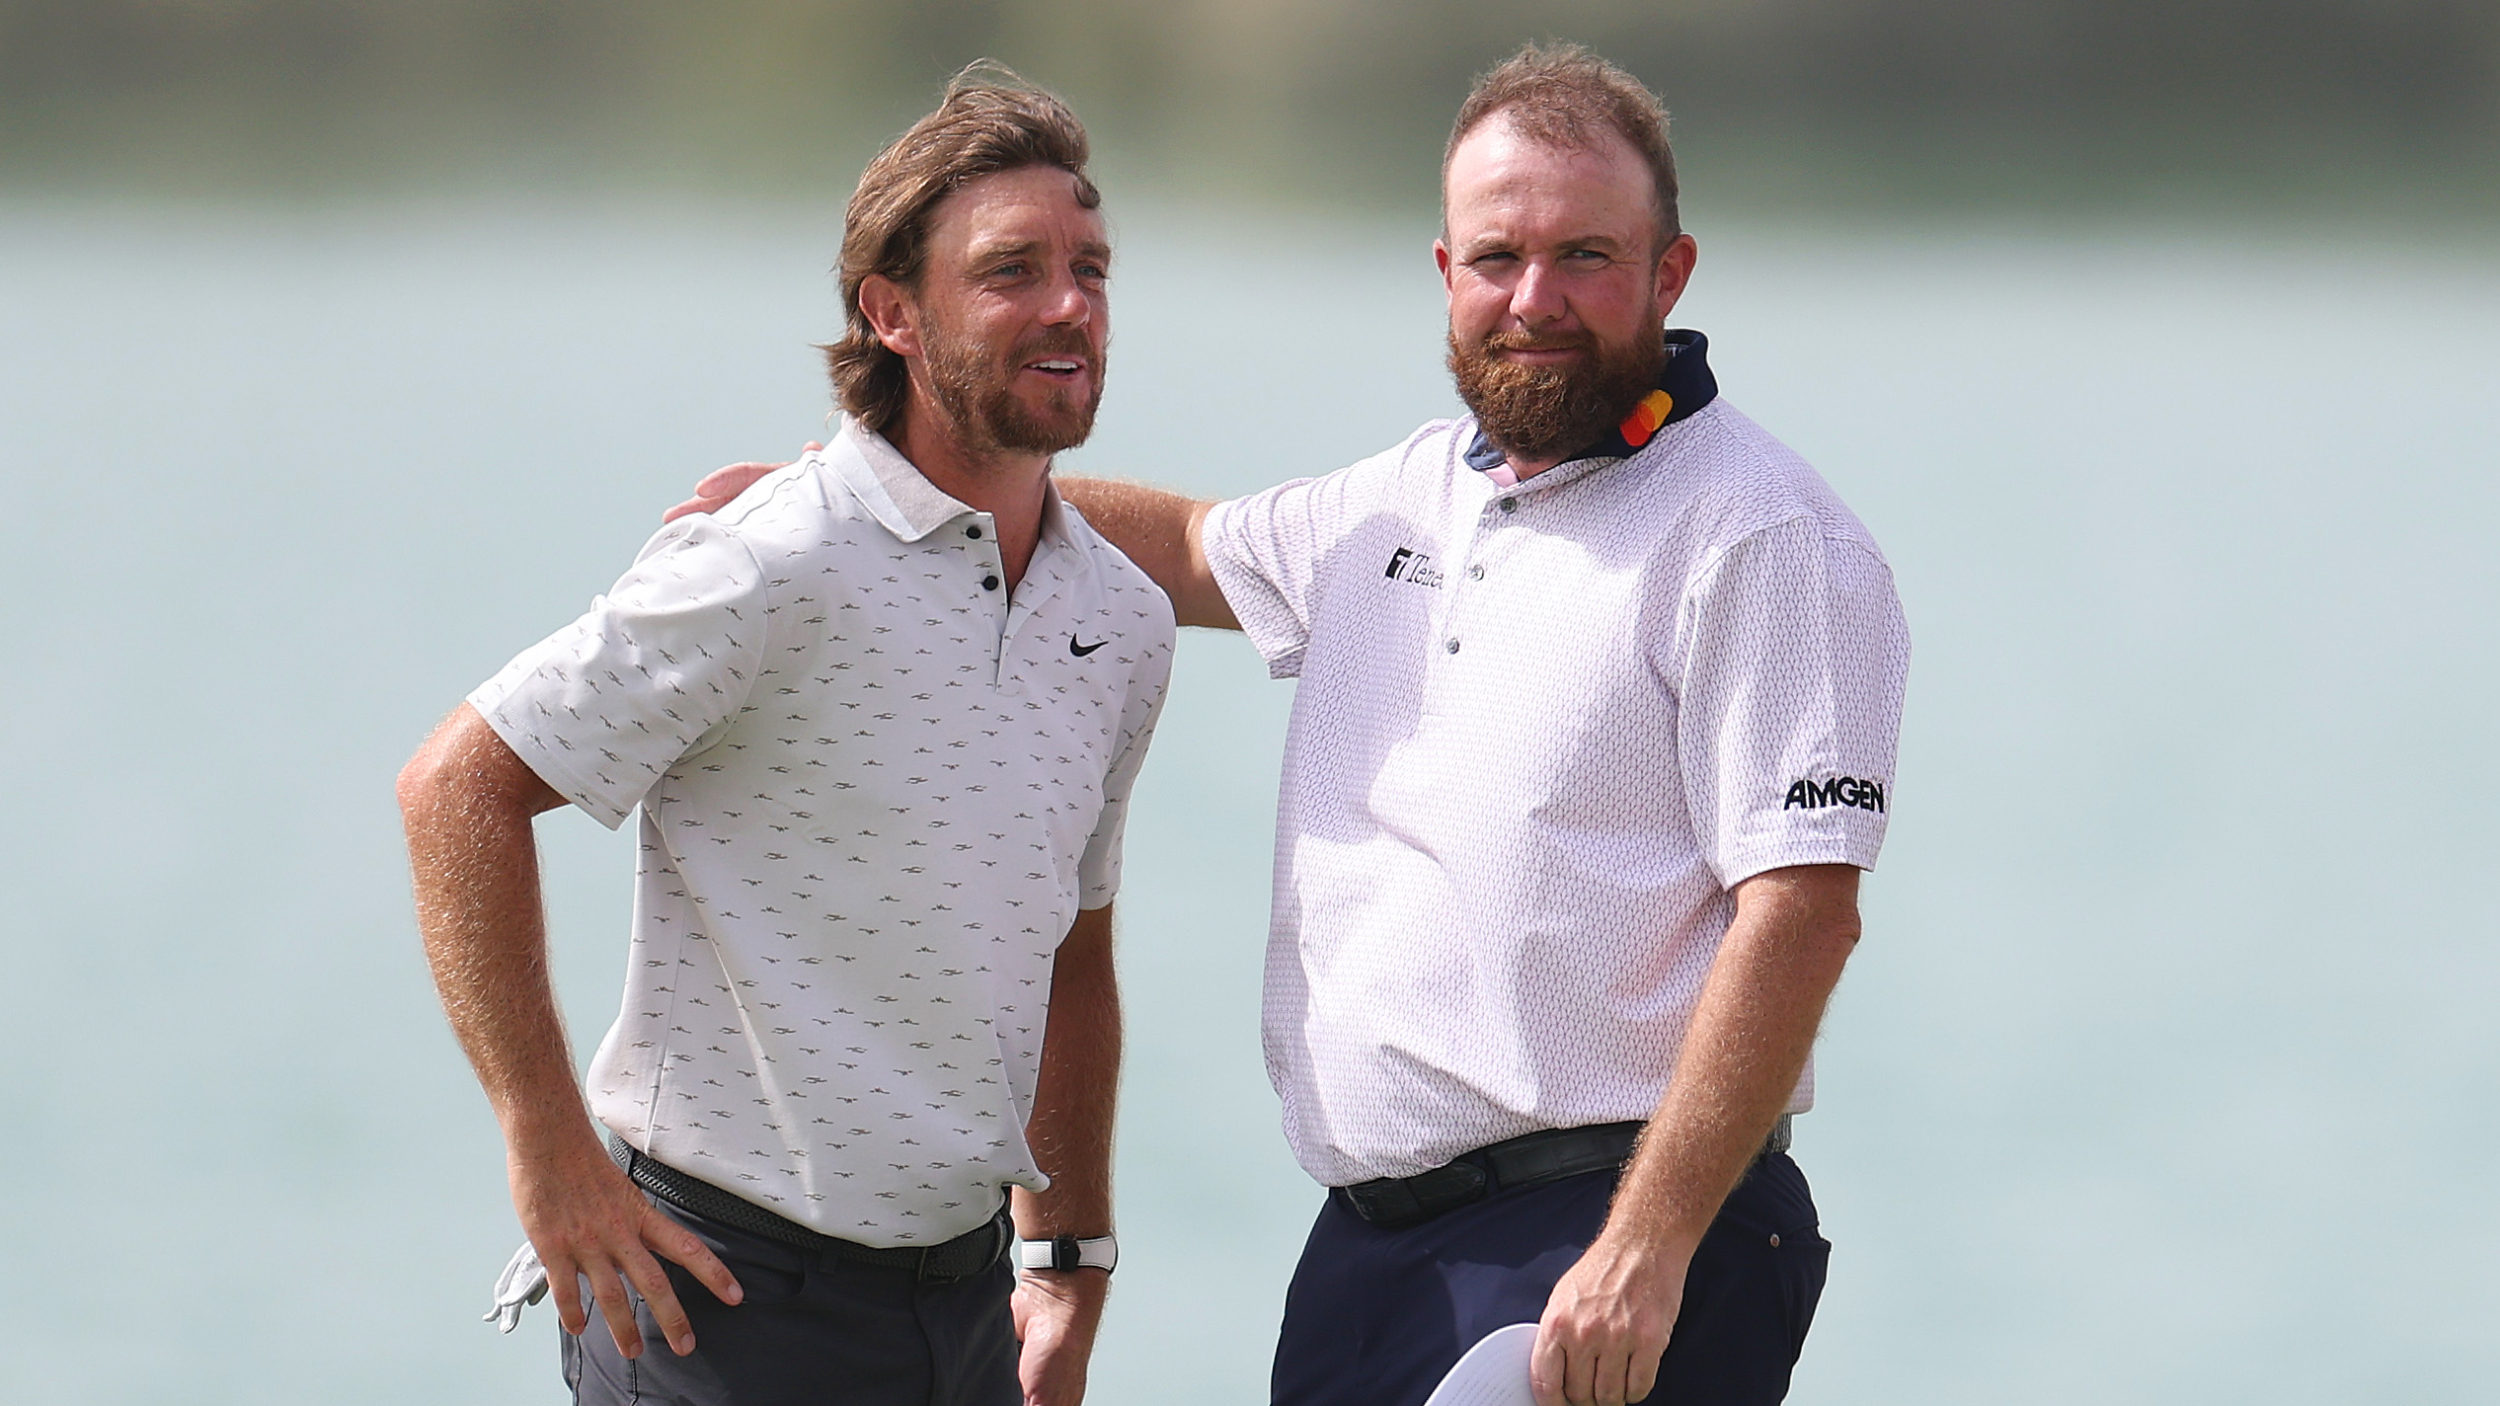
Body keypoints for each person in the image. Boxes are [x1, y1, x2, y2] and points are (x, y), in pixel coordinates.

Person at [685, 43, 1909, 1406]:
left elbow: (1800, 914)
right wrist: (880, 495)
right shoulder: (1401, 501)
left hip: (1613, 1240)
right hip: (1372, 1251)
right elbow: (1197, 547)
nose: (1536, 297)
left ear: (1670, 274)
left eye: (1587, 256)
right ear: (1446, 274)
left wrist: (1648, 1242)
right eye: (1499, 256)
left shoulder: (1764, 535)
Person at [398, 68, 1172, 1406]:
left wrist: (1068, 1254)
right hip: (718, 1305)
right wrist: (550, 1157)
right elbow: (454, 790)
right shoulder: (771, 560)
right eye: (1012, 271)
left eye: (1089, 267)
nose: (1069, 305)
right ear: (894, 314)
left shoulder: (1123, 617)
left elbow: (1075, 958)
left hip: (966, 1305)